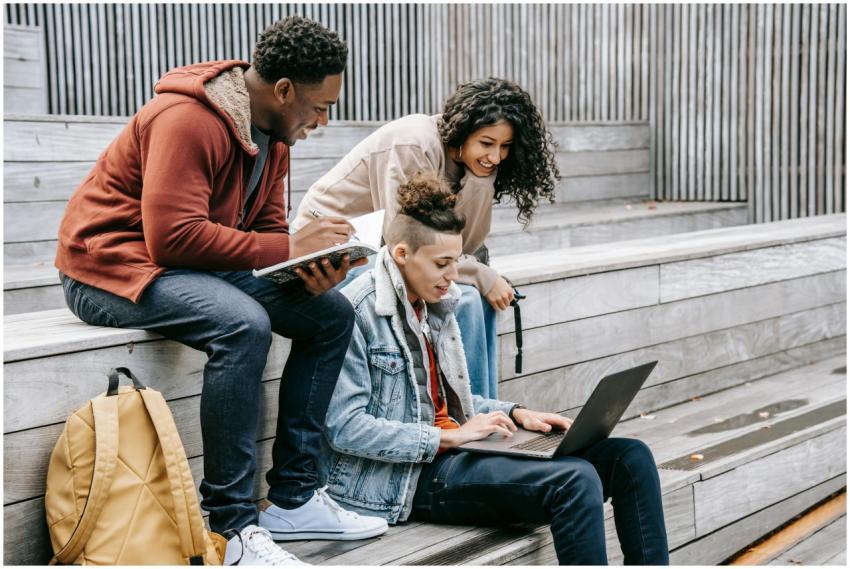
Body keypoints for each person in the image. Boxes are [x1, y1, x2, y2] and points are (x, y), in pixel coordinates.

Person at [54, 16, 387, 566]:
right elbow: (172, 237)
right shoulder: (186, 119)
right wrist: (288, 246)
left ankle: (294, 500)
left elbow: (268, 233)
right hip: (108, 268)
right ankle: (233, 528)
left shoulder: (275, 138)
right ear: (284, 91)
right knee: (242, 324)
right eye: (320, 106)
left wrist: (307, 267)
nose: (323, 121)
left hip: (189, 266)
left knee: (329, 314)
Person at [318, 172, 669, 565]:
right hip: (406, 479)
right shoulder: (356, 311)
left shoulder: (432, 302)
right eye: (442, 263)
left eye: (456, 261)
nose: (453, 276)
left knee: (630, 457)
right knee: (576, 480)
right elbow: (345, 428)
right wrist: (449, 437)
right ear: (402, 253)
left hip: (457, 452)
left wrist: (516, 413)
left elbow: (444, 402)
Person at [292, 78, 561, 399]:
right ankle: (467, 420)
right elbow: (403, 241)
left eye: (505, 146)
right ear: (463, 131)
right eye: (487, 143)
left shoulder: (472, 162)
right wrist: (479, 274)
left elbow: (465, 245)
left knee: (479, 300)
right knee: (464, 299)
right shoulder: (414, 144)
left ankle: (482, 410)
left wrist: (480, 181)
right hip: (337, 253)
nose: (496, 156)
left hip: (391, 252)